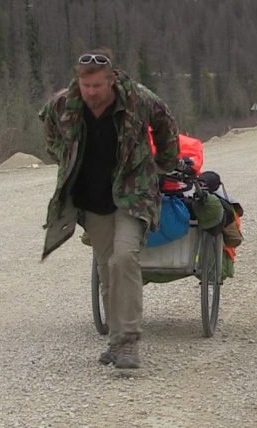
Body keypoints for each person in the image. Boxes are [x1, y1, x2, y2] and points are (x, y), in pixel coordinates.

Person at [39, 48, 179, 369]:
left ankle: (129, 343)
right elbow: (47, 124)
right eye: (86, 86)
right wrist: (64, 157)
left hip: (134, 192)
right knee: (106, 269)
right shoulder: (64, 104)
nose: (91, 93)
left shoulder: (138, 100)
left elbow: (165, 120)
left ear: (112, 81)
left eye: (97, 86)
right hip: (94, 197)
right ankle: (116, 343)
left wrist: (163, 164)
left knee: (123, 257)